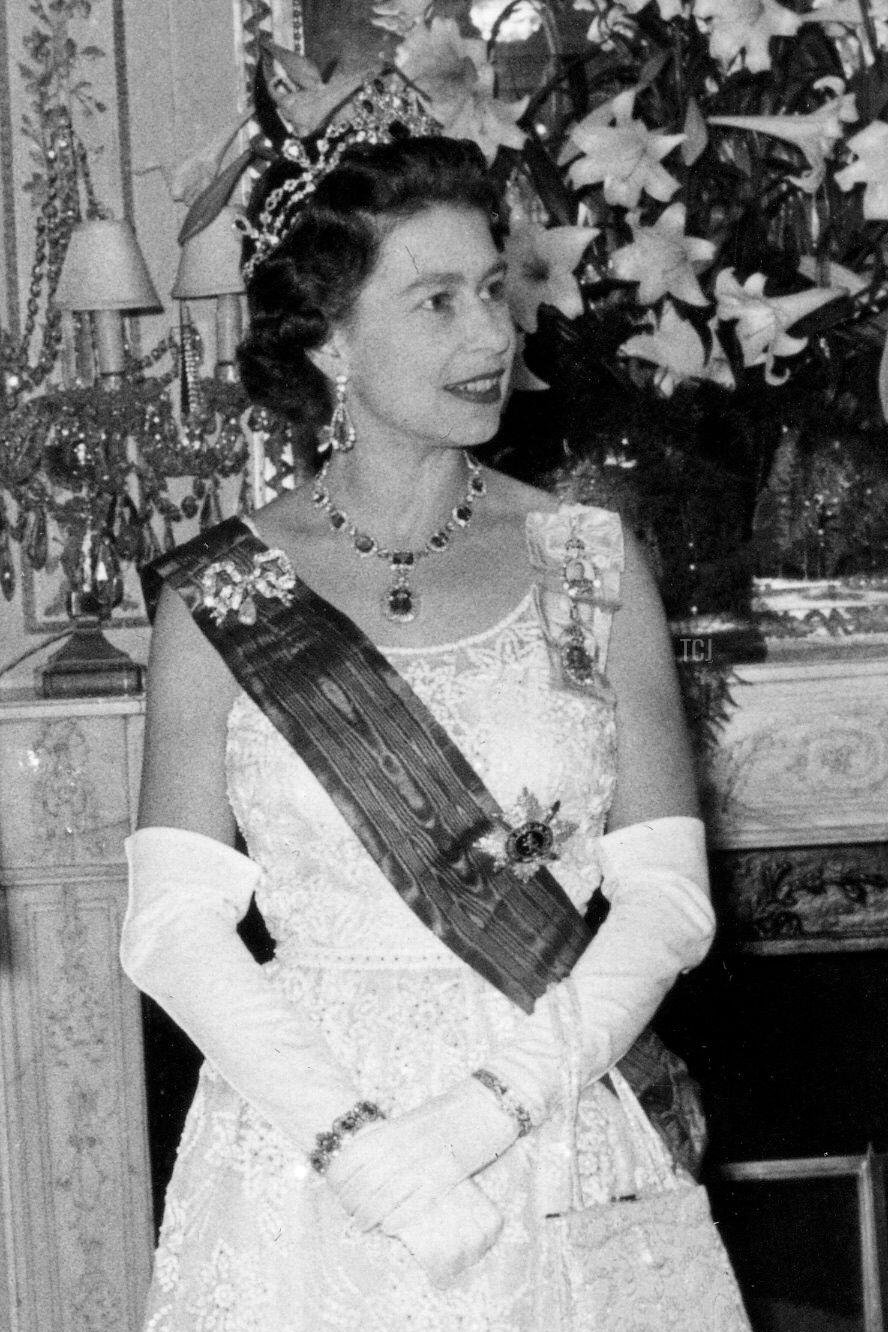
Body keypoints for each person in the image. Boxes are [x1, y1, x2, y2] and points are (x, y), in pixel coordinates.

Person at [122, 89, 751, 1331]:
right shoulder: (224, 593)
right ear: (330, 343)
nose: (492, 334)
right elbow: (172, 927)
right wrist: (365, 1153)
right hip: (308, 1153)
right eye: (438, 300)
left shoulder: (583, 559)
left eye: (495, 290)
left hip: (551, 1116)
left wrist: (480, 1116)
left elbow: (667, 899)